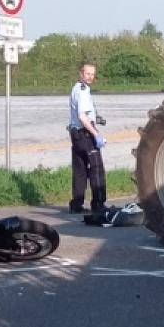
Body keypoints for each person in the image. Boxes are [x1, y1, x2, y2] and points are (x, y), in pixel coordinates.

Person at [68, 63, 107, 214]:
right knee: (96, 169)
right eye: (87, 74)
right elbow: (82, 116)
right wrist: (96, 134)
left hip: (75, 134)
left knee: (80, 170)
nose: (90, 77)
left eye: (92, 74)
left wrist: (96, 118)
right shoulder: (83, 91)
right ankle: (98, 205)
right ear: (81, 73)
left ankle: (76, 205)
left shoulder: (76, 88)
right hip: (85, 133)